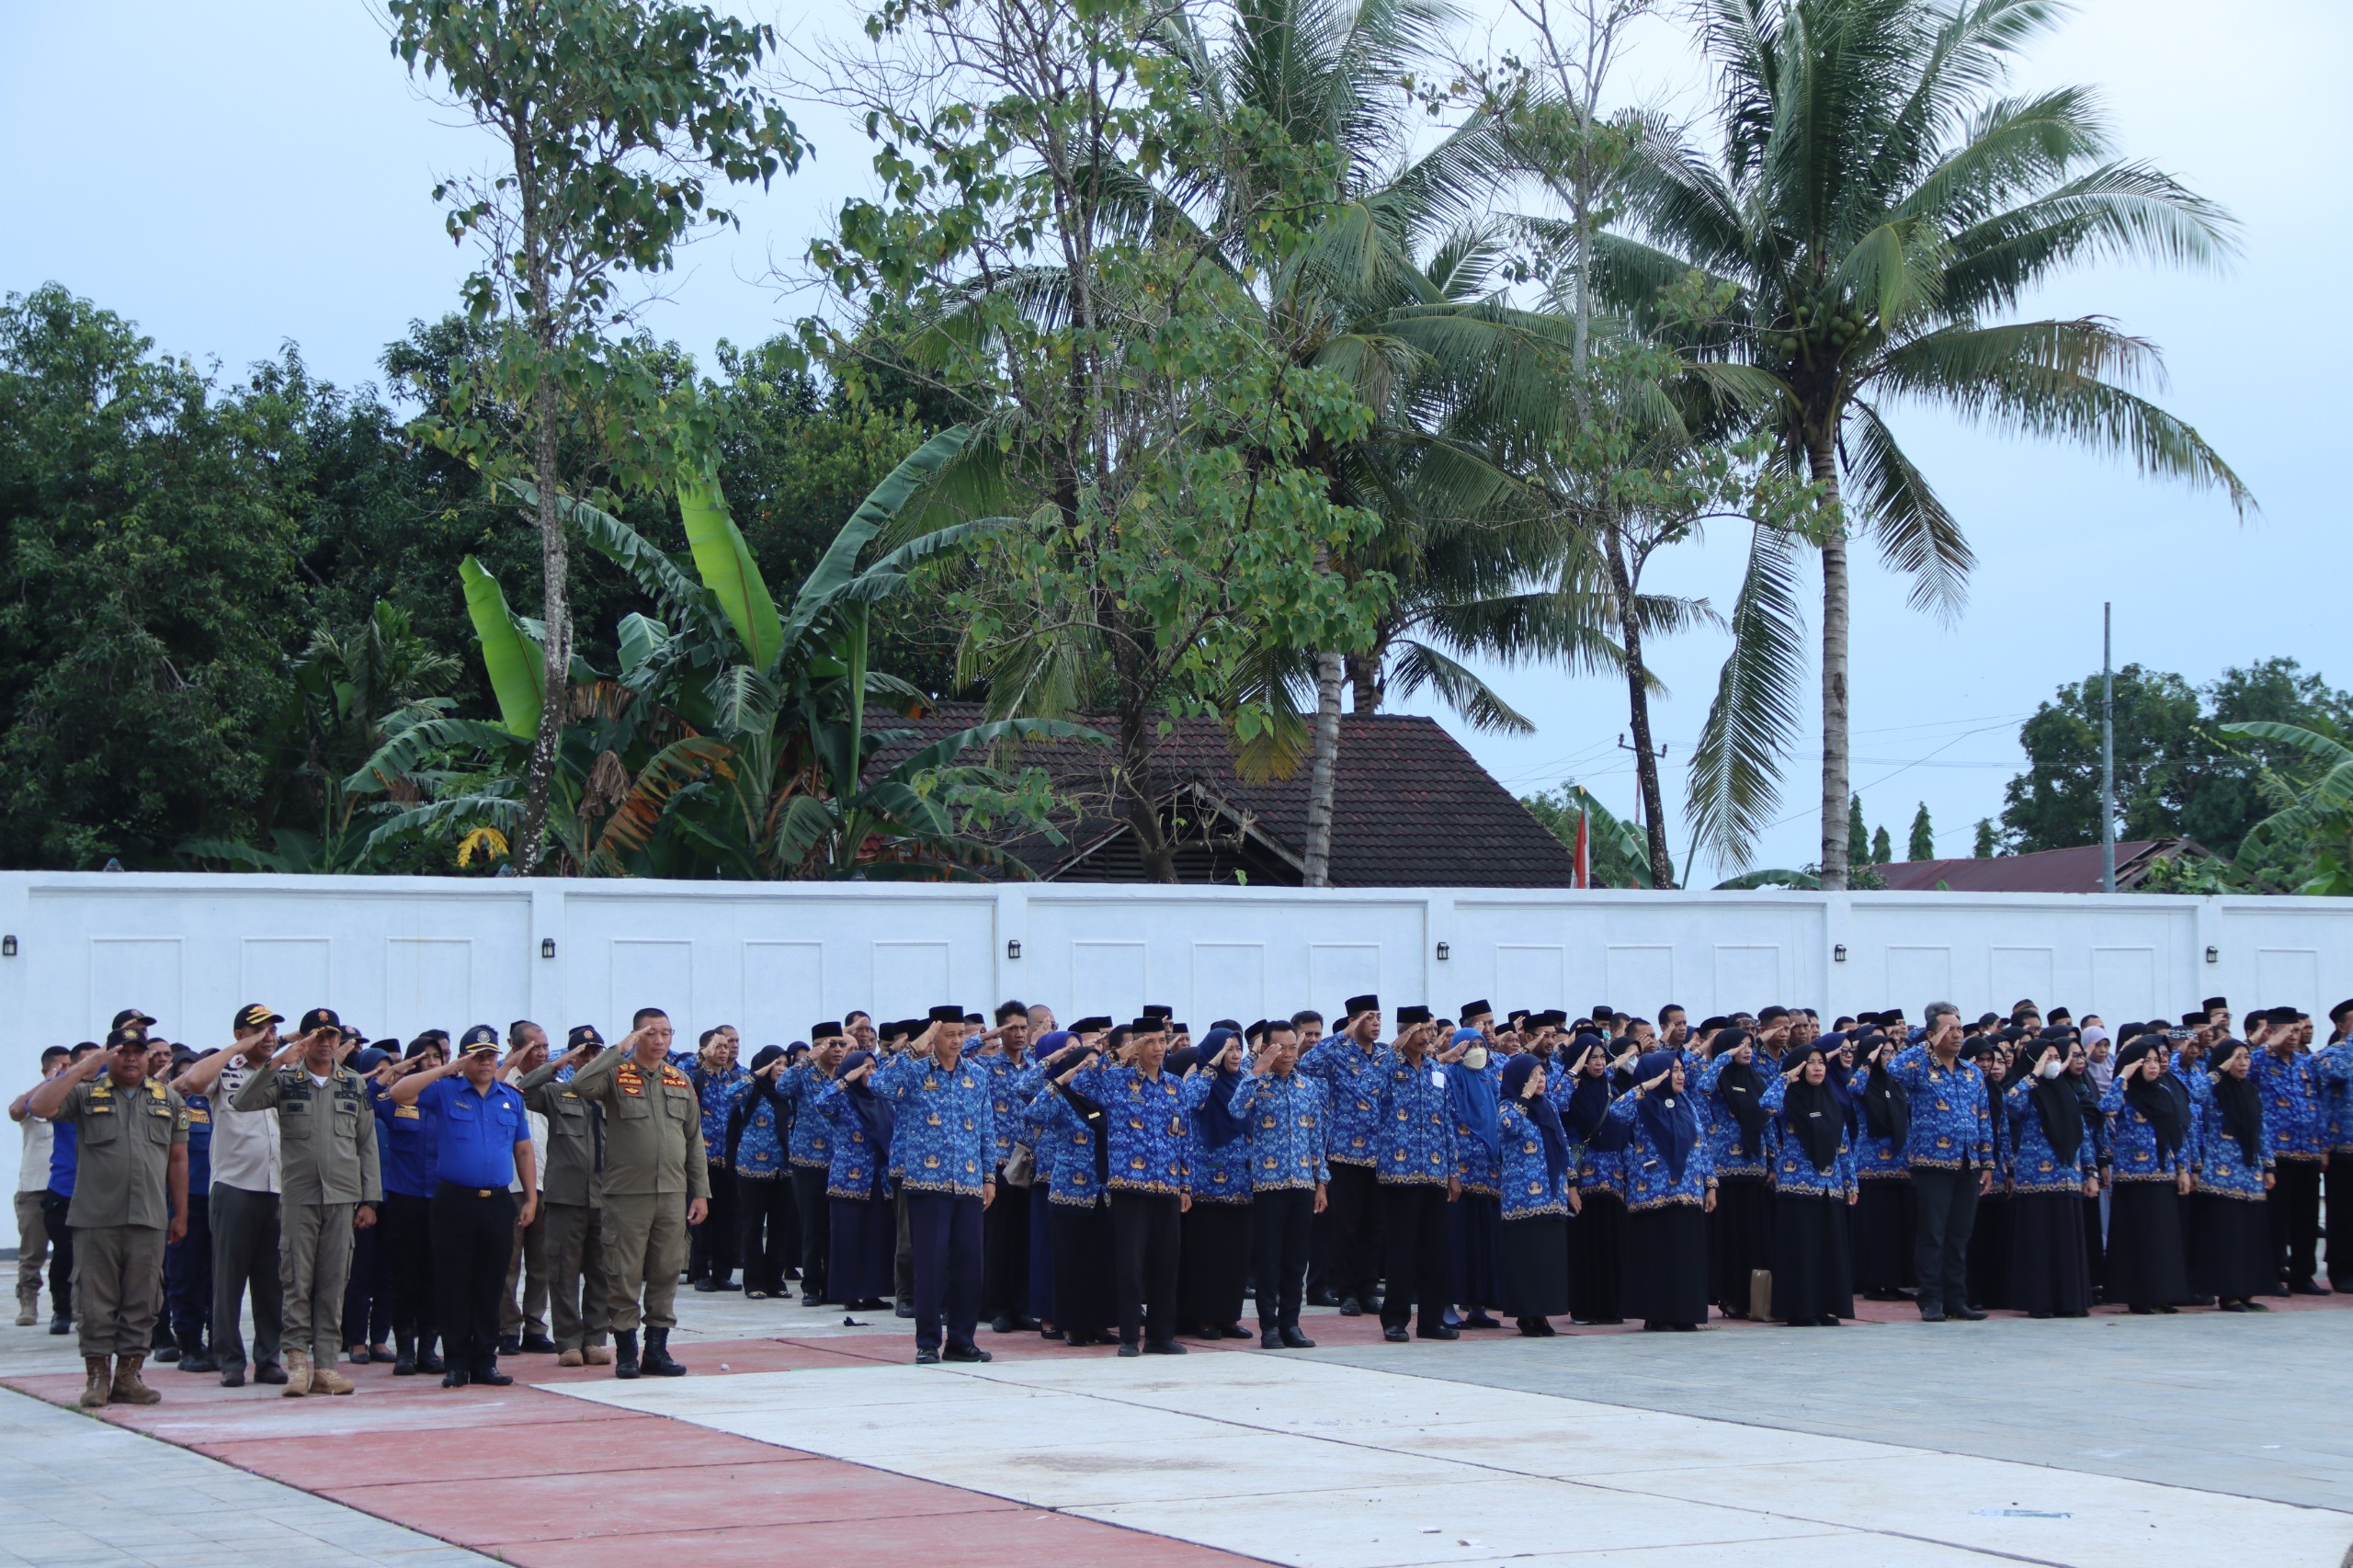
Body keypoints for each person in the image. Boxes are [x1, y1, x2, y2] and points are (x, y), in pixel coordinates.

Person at [29, 1025, 188, 1408]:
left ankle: (129, 1377)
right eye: (122, 1051)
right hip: (95, 1218)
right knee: (94, 1301)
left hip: (149, 1217)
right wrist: (91, 1064)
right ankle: (97, 1376)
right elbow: (41, 1107)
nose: (131, 1057)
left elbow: (178, 1159)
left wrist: (180, 1213)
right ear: (110, 1054)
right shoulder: (86, 1094)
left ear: (148, 1056)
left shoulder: (167, 1098)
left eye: (138, 1050)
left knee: (143, 1300)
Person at [229, 1008, 381, 1395]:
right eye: (318, 1035)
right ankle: (297, 1361)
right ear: (305, 1039)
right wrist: (280, 1059)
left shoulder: (352, 1083)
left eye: (332, 1035)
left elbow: (367, 1143)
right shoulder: (285, 1080)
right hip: (299, 1197)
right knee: (296, 1280)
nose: (327, 1042)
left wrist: (370, 1199)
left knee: (333, 1282)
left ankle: (326, 1366)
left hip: (343, 1196)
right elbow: (242, 1102)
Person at [391, 1024, 538, 1387]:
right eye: (478, 1056)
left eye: (490, 1056)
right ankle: (456, 1362)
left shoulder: (510, 1097)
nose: (486, 1062)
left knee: (491, 1285)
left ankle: (485, 1361)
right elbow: (398, 1093)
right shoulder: (444, 1090)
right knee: (454, 1283)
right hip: (455, 1201)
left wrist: (531, 1197)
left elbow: (523, 1149)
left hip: (498, 1202)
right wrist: (446, 1068)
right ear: (465, 1057)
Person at [563, 1009, 704, 1377]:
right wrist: (619, 1048)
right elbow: (580, 1084)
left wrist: (700, 1193)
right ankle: (627, 1350)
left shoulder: (680, 1080)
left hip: (672, 1194)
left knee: (666, 1271)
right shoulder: (614, 1075)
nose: (659, 1040)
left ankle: (656, 1350)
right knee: (623, 1273)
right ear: (637, 1035)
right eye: (651, 1033)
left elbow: (693, 1141)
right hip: (628, 1195)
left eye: (666, 1033)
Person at [871, 1007, 999, 1365]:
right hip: (927, 1183)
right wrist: (915, 1047)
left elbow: (987, 1129)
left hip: (969, 1182)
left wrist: (989, 1176)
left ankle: (962, 1340)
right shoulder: (913, 1072)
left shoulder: (977, 1075)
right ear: (934, 1036)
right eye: (949, 1034)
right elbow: (879, 1085)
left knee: (969, 1264)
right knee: (929, 1264)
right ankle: (928, 1341)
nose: (957, 1041)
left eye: (961, 1034)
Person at [174, 1009, 289, 1387]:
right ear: (240, 1034)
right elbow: (191, 1080)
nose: (268, 1036)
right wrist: (238, 1047)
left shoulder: (283, 1071)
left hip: (278, 1188)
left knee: (272, 1284)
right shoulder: (226, 1069)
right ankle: (230, 1360)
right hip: (235, 1187)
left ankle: (269, 1358)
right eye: (258, 1030)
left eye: (272, 1030)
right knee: (229, 1281)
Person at [1068, 1017, 1193, 1355]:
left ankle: (1160, 1336)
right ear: (1137, 1046)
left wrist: (1185, 1184)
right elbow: (1079, 1084)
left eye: (1161, 1041)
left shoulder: (1174, 1086)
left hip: (1166, 1185)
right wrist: (1117, 1053)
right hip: (1129, 1185)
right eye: (1149, 1042)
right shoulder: (1116, 1081)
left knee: (1166, 1263)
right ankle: (1127, 1337)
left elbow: (1184, 1136)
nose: (1157, 1048)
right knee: (1131, 1265)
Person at [1884, 1004, 1994, 1323]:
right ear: (1932, 1034)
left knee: (1960, 1235)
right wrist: (1926, 1045)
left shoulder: (1972, 1072)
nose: (1958, 1034)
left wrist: (1988, 1163)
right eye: (1950, 1029)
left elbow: (1983, 1118)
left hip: (1967, 1163)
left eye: (1960, 1028)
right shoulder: (1920, 1067)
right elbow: (1894, 1070)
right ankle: (1930, 1300)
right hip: (1932, 1163)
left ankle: (1957, 1299)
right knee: (1933, 1233)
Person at [516, 1026, 614, 1367]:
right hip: (565, 1198)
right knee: (563, 1273)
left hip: (606, 1197)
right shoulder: (557, 1093)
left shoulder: (611, 1095)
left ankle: (596, 1338)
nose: (588, 1059)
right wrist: (557, 1065)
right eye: (582, 1053)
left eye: (593, 1053)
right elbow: (521, 1090)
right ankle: (569, 1341)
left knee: (601, 1271)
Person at [1228, 1019, 1326, 1348]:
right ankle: (1269, 1327)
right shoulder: (1255, 1083)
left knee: (1296, 1260)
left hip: (1302, 1183)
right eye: (1280, 1047)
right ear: (1267, 1048)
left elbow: (1316, 1138)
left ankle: (1291, 1325)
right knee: (1269, 1259)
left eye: (1292, 1047)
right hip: (1268, 1185)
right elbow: (1235, 1111)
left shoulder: (1307, 1088)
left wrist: (1321, 1183)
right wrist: (1257, 1070)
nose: (1287, 1053)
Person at [1606, 1051, 1714, 1331]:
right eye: (1672, 1070)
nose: (1679, 1075)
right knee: (1656, 1256)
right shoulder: (1642, 1104)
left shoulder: (1686, 1103)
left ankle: (1684, 1314)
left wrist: (1710, 1185)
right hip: (1651, 1193)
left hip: (1688, 1191)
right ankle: (1658, 1315)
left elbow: (1701, 1146)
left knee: (1685, 1255)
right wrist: (1645, 1086)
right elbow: (1616, 1112)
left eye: (1681, 1070)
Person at [1371, 1006, 1461, 1344]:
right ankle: (1395, 1320)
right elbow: (1364, 1086)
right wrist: (1394, 1049)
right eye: (1423, 1030)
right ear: (1407, 1032)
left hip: (1435, 1172)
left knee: (1435, 1250)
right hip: (1400, 1174)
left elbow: (1447, 1123)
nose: (1429, 1037)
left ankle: (1432, 1320)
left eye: (1432, 1030)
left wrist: (1453, 1172)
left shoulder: (1437, 1071)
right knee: (1401, 1250)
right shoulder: (1389, 1066)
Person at [1298, 996, 1385, 1316]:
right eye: (1369, 1017)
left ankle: (1367, 1289)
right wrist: (1342, 1035)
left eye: (1379, 1016)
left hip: (1380, 1155)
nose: (1376, 1022)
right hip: (1345, 1153)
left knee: (1374, 1227)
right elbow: (1306, 1064)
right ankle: (1346, 1290)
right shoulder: (1336, 1052)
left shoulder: (1385, 1054)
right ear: (1353, 1021)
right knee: (1346, 1227)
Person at [1030, 1028, 1115, 1346]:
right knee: (1071, 1262)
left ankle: (1100, 1324)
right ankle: (1074, 1325)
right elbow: (1033, 1112)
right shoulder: (1062, 1101)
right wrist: (1062, 1080)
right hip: (1069, 1193)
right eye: (1085, 1066)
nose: (1091, 1071)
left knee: (1101, 1260)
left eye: (1096, 1066)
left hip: (1102, 1193)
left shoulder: (1105, 1102)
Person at [2002, 1034, 2097, 1319]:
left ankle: (2071, 1301)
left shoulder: (2068, 1091)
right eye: (2048, 1058)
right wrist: (2034, 1075)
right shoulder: (2029, 1091)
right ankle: (2040, 1302)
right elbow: (2010, 1104)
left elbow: (2083, 1136)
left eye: (2057, 1058)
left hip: (2069, 1177)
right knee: (2040, 1242)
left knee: (2067, 1242)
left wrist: (2090, 1172)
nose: (2054, 1063)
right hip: (2036, 1181)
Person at [368, 1037, 446, 1375]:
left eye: (436, 1057)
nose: (430, 1062)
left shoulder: (448, 1096)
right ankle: (404, 1351)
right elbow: (369, 1094)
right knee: (405, 1277)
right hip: (404, 1199)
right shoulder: (397, 1098)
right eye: (424, 1057)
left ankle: (429, 1349)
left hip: (441, 1199)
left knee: (434, 1276)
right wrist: (396, 1070)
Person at [1765, 1040, 1856, 1325]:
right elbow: (1765, 1106)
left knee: (1829, 1250)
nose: (1817, 1068)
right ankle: (1800, 1311)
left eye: (1821, 1063)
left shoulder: (1831, 1100)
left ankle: (1826, 1307)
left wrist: (1850, 1182)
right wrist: (1785, 1079)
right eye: (1810, 1063)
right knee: (1802, 1251)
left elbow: (1843, 1146)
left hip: (1831, 1186)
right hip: (1797, 1186)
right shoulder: (1789, 1099)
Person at [2100, 1031, 2191, 1314]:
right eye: (2146, 1061)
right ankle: (2139, 1297)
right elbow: (2105, 1109)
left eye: (2156, 1060)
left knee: (2163, 1240)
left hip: (2163, 1176)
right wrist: (2122, 1077)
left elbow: (2178, 1133)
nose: (2153, 1066)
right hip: (2133, 1180)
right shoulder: (2125, 1094)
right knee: (2138, 1241)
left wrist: (2183, 1169)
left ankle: (2162, 1294)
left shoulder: (2164, 1092)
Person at [1176, 1029, 1255, 1339]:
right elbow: (1189, 1103)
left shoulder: (1242, 1082)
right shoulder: (1201, 1082)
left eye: (1238, 1049)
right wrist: (1210, 1066)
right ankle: (1203, 1317)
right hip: (1205, 1187)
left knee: (1235, 1257)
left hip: (1241, 1185)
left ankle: (1228, 1317)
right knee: (1206, 1256)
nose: (1235, 1055)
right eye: (1227, 1050)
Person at [2189, 1037, 2275, 1312]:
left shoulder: (2251, 1091)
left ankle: (2249, 1291)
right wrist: (2219, 1070)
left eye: (2246, 1058)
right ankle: (2229, 1294)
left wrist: (2269, 1165)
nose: (2243, 1063)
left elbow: (2261, 1131)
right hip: (2221, 1176)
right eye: (2237, 1057)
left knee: (2251, 1237)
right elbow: (2195, 1094)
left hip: (2251, 1175)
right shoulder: (2215, 1090)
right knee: (2228, 1238)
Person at [2246, 1009, 2326, 1294]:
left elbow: (2317, 1104)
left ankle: (2303, 1275)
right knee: (2275, 1220)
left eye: (2297, 1031)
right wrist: (2265, 1043)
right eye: (2289, 1031)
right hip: (2277, 1153)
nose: (2295, 1036)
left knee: (2306, 1220)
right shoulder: (2259, 1061)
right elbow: (2243, 1065)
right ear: (2273, 1032)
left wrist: (2323, 1145)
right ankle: (2270, 1274)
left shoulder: (2305, 1063)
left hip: (2308, 1151)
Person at [813, 1046, 900, 1312]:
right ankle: (849, 1293)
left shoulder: (882, 1100)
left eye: (874, 1067)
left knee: (877, 1236)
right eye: (864, 1068)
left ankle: (873, 1292)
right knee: (849, 1237)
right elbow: (821, 1103)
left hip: (879, 1178)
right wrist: (845, 1080)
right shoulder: (843, 1099)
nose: (870, 1073)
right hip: (849, 1180)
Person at [1697, 1028, 1775, 1320]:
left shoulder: (1757, 1080)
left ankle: (1752, 1296)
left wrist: (1772, 1164)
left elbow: (1768, 1121)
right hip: (1725, 1173)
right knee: (1729, 1238)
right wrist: (1720, 1059)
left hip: (1754, 1169)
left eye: (1750, 1045)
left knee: (1753, 1237)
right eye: (1740, 1045)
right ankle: (1728, 1296)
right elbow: (1702, 1088)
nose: (1747, 1049)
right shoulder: (1719, 1080)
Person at [1495, 1054, 1575, 1335]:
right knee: (1526, 1258)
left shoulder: (1550, 1107)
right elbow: (1506, 1128)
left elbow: (1563, 1145)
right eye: (1533, 1076)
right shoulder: (1508, 1106)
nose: (1540, 1080)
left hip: (1552, 1196)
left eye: (1542, 1075)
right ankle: (1526, 1315)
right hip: (1522, 1200)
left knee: (1547, 1259)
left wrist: (1571, 1185)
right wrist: (1525, 1096)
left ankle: (1542, 1313)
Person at [972, 1001, 1038, 1333]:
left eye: (1023, 1027)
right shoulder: (984, 1067)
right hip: (999, 1164)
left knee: (1025, 1237)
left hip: (1030, 1163)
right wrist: (988, 1035)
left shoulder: (1036, 1065)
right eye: (1012, 1028)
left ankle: (1021, 1306)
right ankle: (996, 1306)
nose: (1019, 1034)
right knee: (998, 1239)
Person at [494, 1023, 557, 1355]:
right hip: (511, 1186)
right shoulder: (499, 1083)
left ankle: (535, 1325)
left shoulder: (554, 1085)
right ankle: (507, 1328)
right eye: (535, 1047)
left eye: (545, 1046)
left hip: (548, 1183)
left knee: (542, 1262)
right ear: (515, 1048)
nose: (543, 1053)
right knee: (508, 1262)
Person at [1441, 1026, 1505, 1331]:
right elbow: (1446, 1123)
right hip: (1460, 1178)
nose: (1478, 1050)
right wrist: (1451, 1171)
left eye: (1482, 1044)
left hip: (1490, 1175)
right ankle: (1447, 1304)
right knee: (1456, 1242)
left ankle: (1478, 1306)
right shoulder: (1449, 1078)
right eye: (1470, 1045)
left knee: (1482, 1243)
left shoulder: (1490, 1078)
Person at [1562, 1035, 1628, 1325]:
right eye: (1592, 1058)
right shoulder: (1573, 1093)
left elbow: (1624, 1135)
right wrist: (1572, 1185)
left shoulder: (1612, 1091)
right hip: (1585, 1184)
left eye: (1602, 1057)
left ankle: (1611, 1307)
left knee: (1612, 1244)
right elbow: (1565, 1135)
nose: (1599, 1063)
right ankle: (1585, 1308)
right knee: (1586, 1246)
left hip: (1613, 1181)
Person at [779, 1027, 845, 1304]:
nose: (838, 1049)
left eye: (842, 1044)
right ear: (818, 1047)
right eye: (832, 1045)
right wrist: (807, 1058)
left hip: (839, 1162)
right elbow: (782, 1088)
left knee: (835, 1228)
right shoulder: (804, 1074)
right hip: (807, 1162)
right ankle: (811, 1287)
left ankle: (833, 1284)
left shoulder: (845, 1076)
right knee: (812, 1228)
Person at [725, 1045, 798, 1299]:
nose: (781, 1068)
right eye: (776, 1063)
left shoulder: (787, 1094)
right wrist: (757, 1074)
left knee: (780, 1227)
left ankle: (775, 1280)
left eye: (784, 1064)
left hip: (783, 1169)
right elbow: (729, 1094)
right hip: (752, 1169)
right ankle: (754, 1281)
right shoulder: (752, 1091)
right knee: (753, 1226)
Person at [683, 1028, 748, 1293]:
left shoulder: (736, 1079)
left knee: (728, 1219)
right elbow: (678, 1069)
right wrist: (701, 1055)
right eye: (718, 1046)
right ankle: (700, 1273)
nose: (724, 1051)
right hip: (703, 1159)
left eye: (727, 1046)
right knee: (702, 1219)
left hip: (730, 1158)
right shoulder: (693, 1077)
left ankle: (723, 1273)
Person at [9, 1047, 65, 1326]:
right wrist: (50, 1081)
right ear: (46, 1071)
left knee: (70, 1252)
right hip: (34, 1188)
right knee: (32, 1252)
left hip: (66, 1188)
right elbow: (17, 1111)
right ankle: (28, 1302)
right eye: (60, 1067)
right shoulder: (33, 1102)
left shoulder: (72, 1102)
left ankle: (66, 1307)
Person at [2317, 1000, 2353, 1292]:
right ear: (2342, 1026)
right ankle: (2342, 1271)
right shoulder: (2335, 1054)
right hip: (2342, 1149)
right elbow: (2327, 1084)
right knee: (2343, 1212)